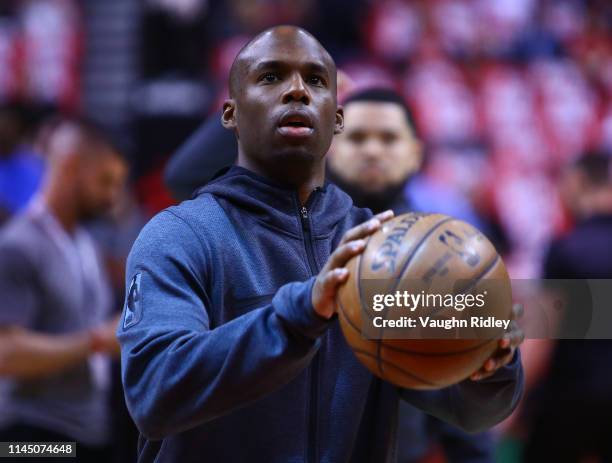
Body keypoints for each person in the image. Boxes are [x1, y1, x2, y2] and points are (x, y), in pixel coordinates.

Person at [118, 26, 523, 463]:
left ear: (337, 118)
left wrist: (487, 367)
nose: (297, 91)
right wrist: (298, 314)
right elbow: (154, 393)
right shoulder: (181, 234)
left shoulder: (383, 248)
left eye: (315, 80)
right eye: (271, 77)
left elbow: (469, 412)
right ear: (230, 114)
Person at [328, 87, 496, 462]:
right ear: (328, 147)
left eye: (388, 138)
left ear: (416, 153)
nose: (372, 150)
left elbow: (461, 377)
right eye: (356, 137)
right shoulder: (289, 230)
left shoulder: (447, 253)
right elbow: (184, 175)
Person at [0, 118, 128, 462]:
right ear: (71, 167)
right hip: (30, 439)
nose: (111, 197)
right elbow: (5, 353)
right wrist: (98, 340)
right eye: (105, 181)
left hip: (87, 432)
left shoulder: (85, 243)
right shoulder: (18, 245)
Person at [523, 152, 612, 462]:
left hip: (570, 402)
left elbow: (540, 338)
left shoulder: (567, 246)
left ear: (577, 182)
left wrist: (508, 402)